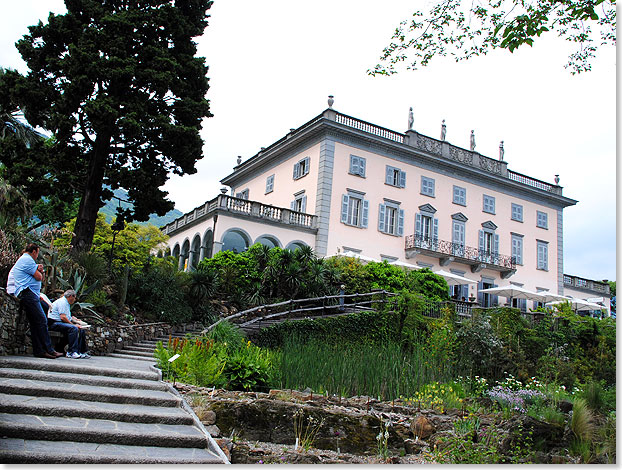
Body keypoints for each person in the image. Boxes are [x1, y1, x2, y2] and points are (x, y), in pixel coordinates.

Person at [11, 243, 62, 359]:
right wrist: (41, 271)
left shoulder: (25, 260)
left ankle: (39, 350)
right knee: (41, 320)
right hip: (28, 293)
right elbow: (39, 277)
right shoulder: (27, 260)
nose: (37, 255)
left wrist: (39, 271)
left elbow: (39, 276)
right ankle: (49, 349)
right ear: (34, 251)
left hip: (31, 294)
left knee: (36, 321)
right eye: (37, 252)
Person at [48, 290, 91, 359]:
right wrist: (73, 325)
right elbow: (63, 317)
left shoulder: (66, 303)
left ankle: (82, 351)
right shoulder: (63, 302)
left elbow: (67, 316)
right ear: (71, 296)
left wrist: (75, 320)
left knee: (81, 329)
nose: (75, 300)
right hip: (54, 323)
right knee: (73, 328)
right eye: (74, 298)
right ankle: (71, 351)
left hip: (60, 323)